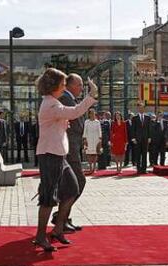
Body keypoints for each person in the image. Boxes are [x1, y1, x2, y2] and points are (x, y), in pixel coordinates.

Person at [33, 67, 97, 252]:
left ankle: (58, 228)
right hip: (50, 154)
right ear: (53, 86)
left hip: (59, 154)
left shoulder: (53, 102)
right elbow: (75, 111)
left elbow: (67, 116)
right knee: (48, 197)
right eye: (62, 84)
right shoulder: (51, 103)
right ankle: (40, 236)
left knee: (72, 189)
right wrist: (92, 95)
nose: (64, 87)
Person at [52, 73, 88, 232]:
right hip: (69, 150)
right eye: (79, 85)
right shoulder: (65, 99)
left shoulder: (69, 99)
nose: (81, 88)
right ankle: (60, 217)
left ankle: (63, 217)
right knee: (77, 182)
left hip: (73, 148)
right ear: (70, 85)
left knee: (71, 185)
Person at [131, 102, 152, 174]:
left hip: (145, 139)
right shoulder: (134, 118)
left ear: (144, 108)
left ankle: (144, 169)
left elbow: (149, 128)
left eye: (142, 108)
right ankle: (138, 169)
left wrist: (149, 137)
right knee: (138, 154)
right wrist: (133, 138)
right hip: (137, 139)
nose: (141, 109)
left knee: (144, 154)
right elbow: (132, 129)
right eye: (140, 108)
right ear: (138, 109)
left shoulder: (148, 118)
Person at [83, 108, 102, 174]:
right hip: (88, 138)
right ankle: (90, 167)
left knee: (95, 153)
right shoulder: (86, 121)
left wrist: (100, 139)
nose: (92, 115)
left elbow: (99, 130)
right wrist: (84, 138)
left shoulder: (97, 122)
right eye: (91, 113)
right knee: (89, 153)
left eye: (93, 113)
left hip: (96, 139)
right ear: (89, 114)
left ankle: (94, 167)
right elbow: (85, 130)